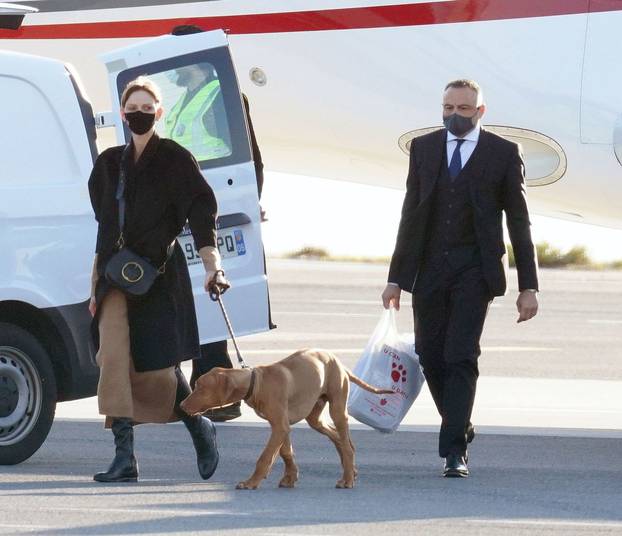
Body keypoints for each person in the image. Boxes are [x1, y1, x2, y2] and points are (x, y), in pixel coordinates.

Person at [381, 79, 539, 478]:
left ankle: (454, 452)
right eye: (448, 107)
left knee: (460, 355)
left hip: (476, 271)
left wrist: (528, 287)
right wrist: (395, 278)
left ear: (481, 111)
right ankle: (461, 425)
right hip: (430, 268)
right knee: (431, 355)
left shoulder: (503, 153)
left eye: (463, 109)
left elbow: (519, 222)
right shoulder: (424, 148)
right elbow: (410, 216)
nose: (454, 115)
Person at [88, 76, 229, 482]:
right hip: (114, 280)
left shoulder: (175, 159)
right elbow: (102, 230)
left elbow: (203, 215)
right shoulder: (108, 164)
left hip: (159, 279)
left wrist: (213, 267)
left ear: (159, 113)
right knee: (113, 361)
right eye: (132, 109)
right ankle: (124, 458)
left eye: (147, 109)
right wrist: (93, 285)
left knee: (158, 369)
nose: (139, 115)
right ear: (121, 112)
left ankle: (199, 427)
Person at [171, 24, 266, 422]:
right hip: (184, 212)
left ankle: (217, 395)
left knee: (208, 300)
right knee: (193, 302)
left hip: (211, 213)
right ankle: (207, 391)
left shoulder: (220, 97)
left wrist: (246, 200)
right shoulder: (183, 101)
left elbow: (250, 159)